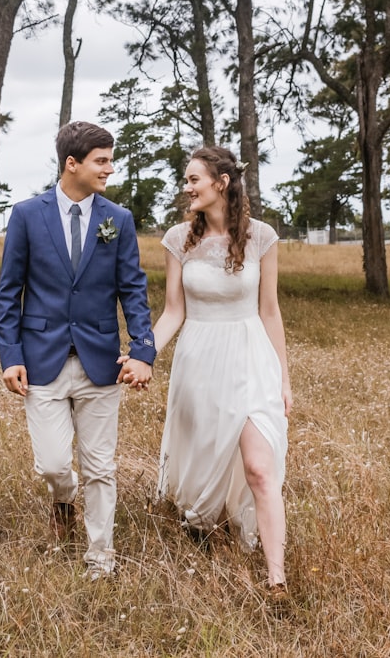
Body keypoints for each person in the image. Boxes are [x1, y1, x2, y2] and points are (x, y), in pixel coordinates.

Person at [125, 145, 292, 597]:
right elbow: (173, 312)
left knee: (260, 466)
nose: (187, 186)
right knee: (203, 461)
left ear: (221, 182)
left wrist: (283, 377)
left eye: (194, 178)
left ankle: (276, 578)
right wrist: (145, 354)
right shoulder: (179, 239)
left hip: (250, 356)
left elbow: (271, 312)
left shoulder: (262, 237)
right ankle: (201, 526)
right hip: (199, 358)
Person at [0, 121, 155, 580]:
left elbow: (133, 291)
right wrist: (11, 357)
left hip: (101, 362)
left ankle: (100, 557)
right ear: (73, 163)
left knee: (101, 466)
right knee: (53, 464)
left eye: (109, 159)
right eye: (101, 160)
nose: (109, 168)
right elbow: (10, 293)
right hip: (41, 361)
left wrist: (142, 350)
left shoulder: (117, 220)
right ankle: (62, 499)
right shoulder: (26, 215)